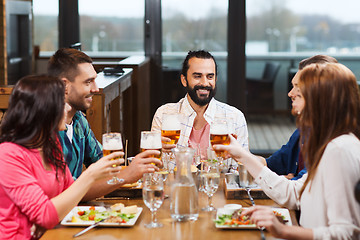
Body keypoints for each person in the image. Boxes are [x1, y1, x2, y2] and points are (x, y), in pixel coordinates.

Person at [214, 63, 360, 239]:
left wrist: (283, 230)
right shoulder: (329, 145)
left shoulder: (339, 151)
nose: (292, 95)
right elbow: (293, 194)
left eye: (300, 92)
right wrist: (242, 155)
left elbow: (346, 233)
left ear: (321, 101)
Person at [0, 75, 123, 239]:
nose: (67, 108)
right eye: (61, 103)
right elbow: (44, 215)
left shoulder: (50, 146)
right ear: (44, 110)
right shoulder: (8, 155)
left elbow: (70, 193)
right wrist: (90, 175)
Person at [47, 48, 161, 196]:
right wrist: (125, 176)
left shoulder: (79, 119)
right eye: (88, 82)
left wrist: (137, 164)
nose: (96, 89)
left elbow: (103, 163)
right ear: (64, 86)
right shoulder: (45, 127)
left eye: (95, 80)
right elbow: (67, 191)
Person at [151, 50, 248, 161]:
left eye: (210, 77)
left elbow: (242, 168)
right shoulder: (164, 114)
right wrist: (159, 152)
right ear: (184, 80)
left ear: (215, 79)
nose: (205, 83)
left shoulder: (235, 117)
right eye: (197, 76)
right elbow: (153, 167)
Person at [265, 55, 338, 180]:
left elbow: (302, 186)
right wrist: (239, 155)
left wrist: (288, 182)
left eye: (297, 88)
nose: (290, 93)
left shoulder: (333, 142)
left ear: (317, 92)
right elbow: (270, 164)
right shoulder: (303, 132)